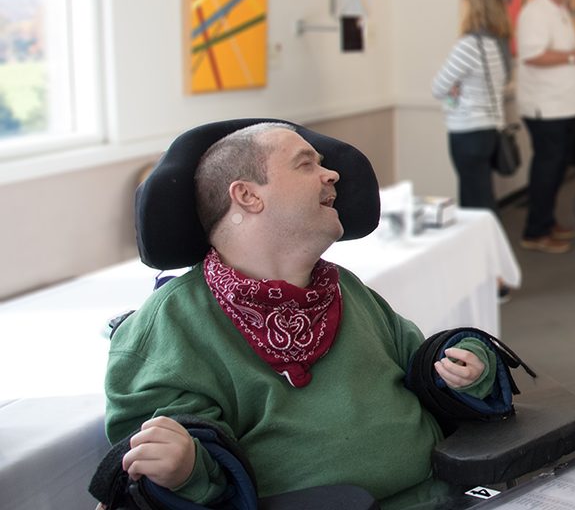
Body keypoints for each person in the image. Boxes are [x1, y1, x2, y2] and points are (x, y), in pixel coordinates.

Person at [104, 122, 499, 508]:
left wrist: (466, 366)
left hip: (449, 490)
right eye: (306, 164)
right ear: (247, 196)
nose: (332, 174)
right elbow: (179, 470)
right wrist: (184, 468)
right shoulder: (168, 329)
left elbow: (424, 367)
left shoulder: (345, 288)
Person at [516, 0, 575, 254]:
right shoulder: (534, 13)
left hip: (563, 105)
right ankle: (535, 231)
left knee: (558, 167)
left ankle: (547, 222)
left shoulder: (560, 11)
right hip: (545, 106)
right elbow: (533, 55)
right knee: (547, 168)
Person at [432, 0, 513, 213]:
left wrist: (453, 94)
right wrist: (453, 90)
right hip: (489, 131)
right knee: (482, 194)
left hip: (466, 131)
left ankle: (485, 249)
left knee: (474, 201)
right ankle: (487, 247)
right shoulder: (499, 45)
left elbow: (438, 88)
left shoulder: (468, 45)